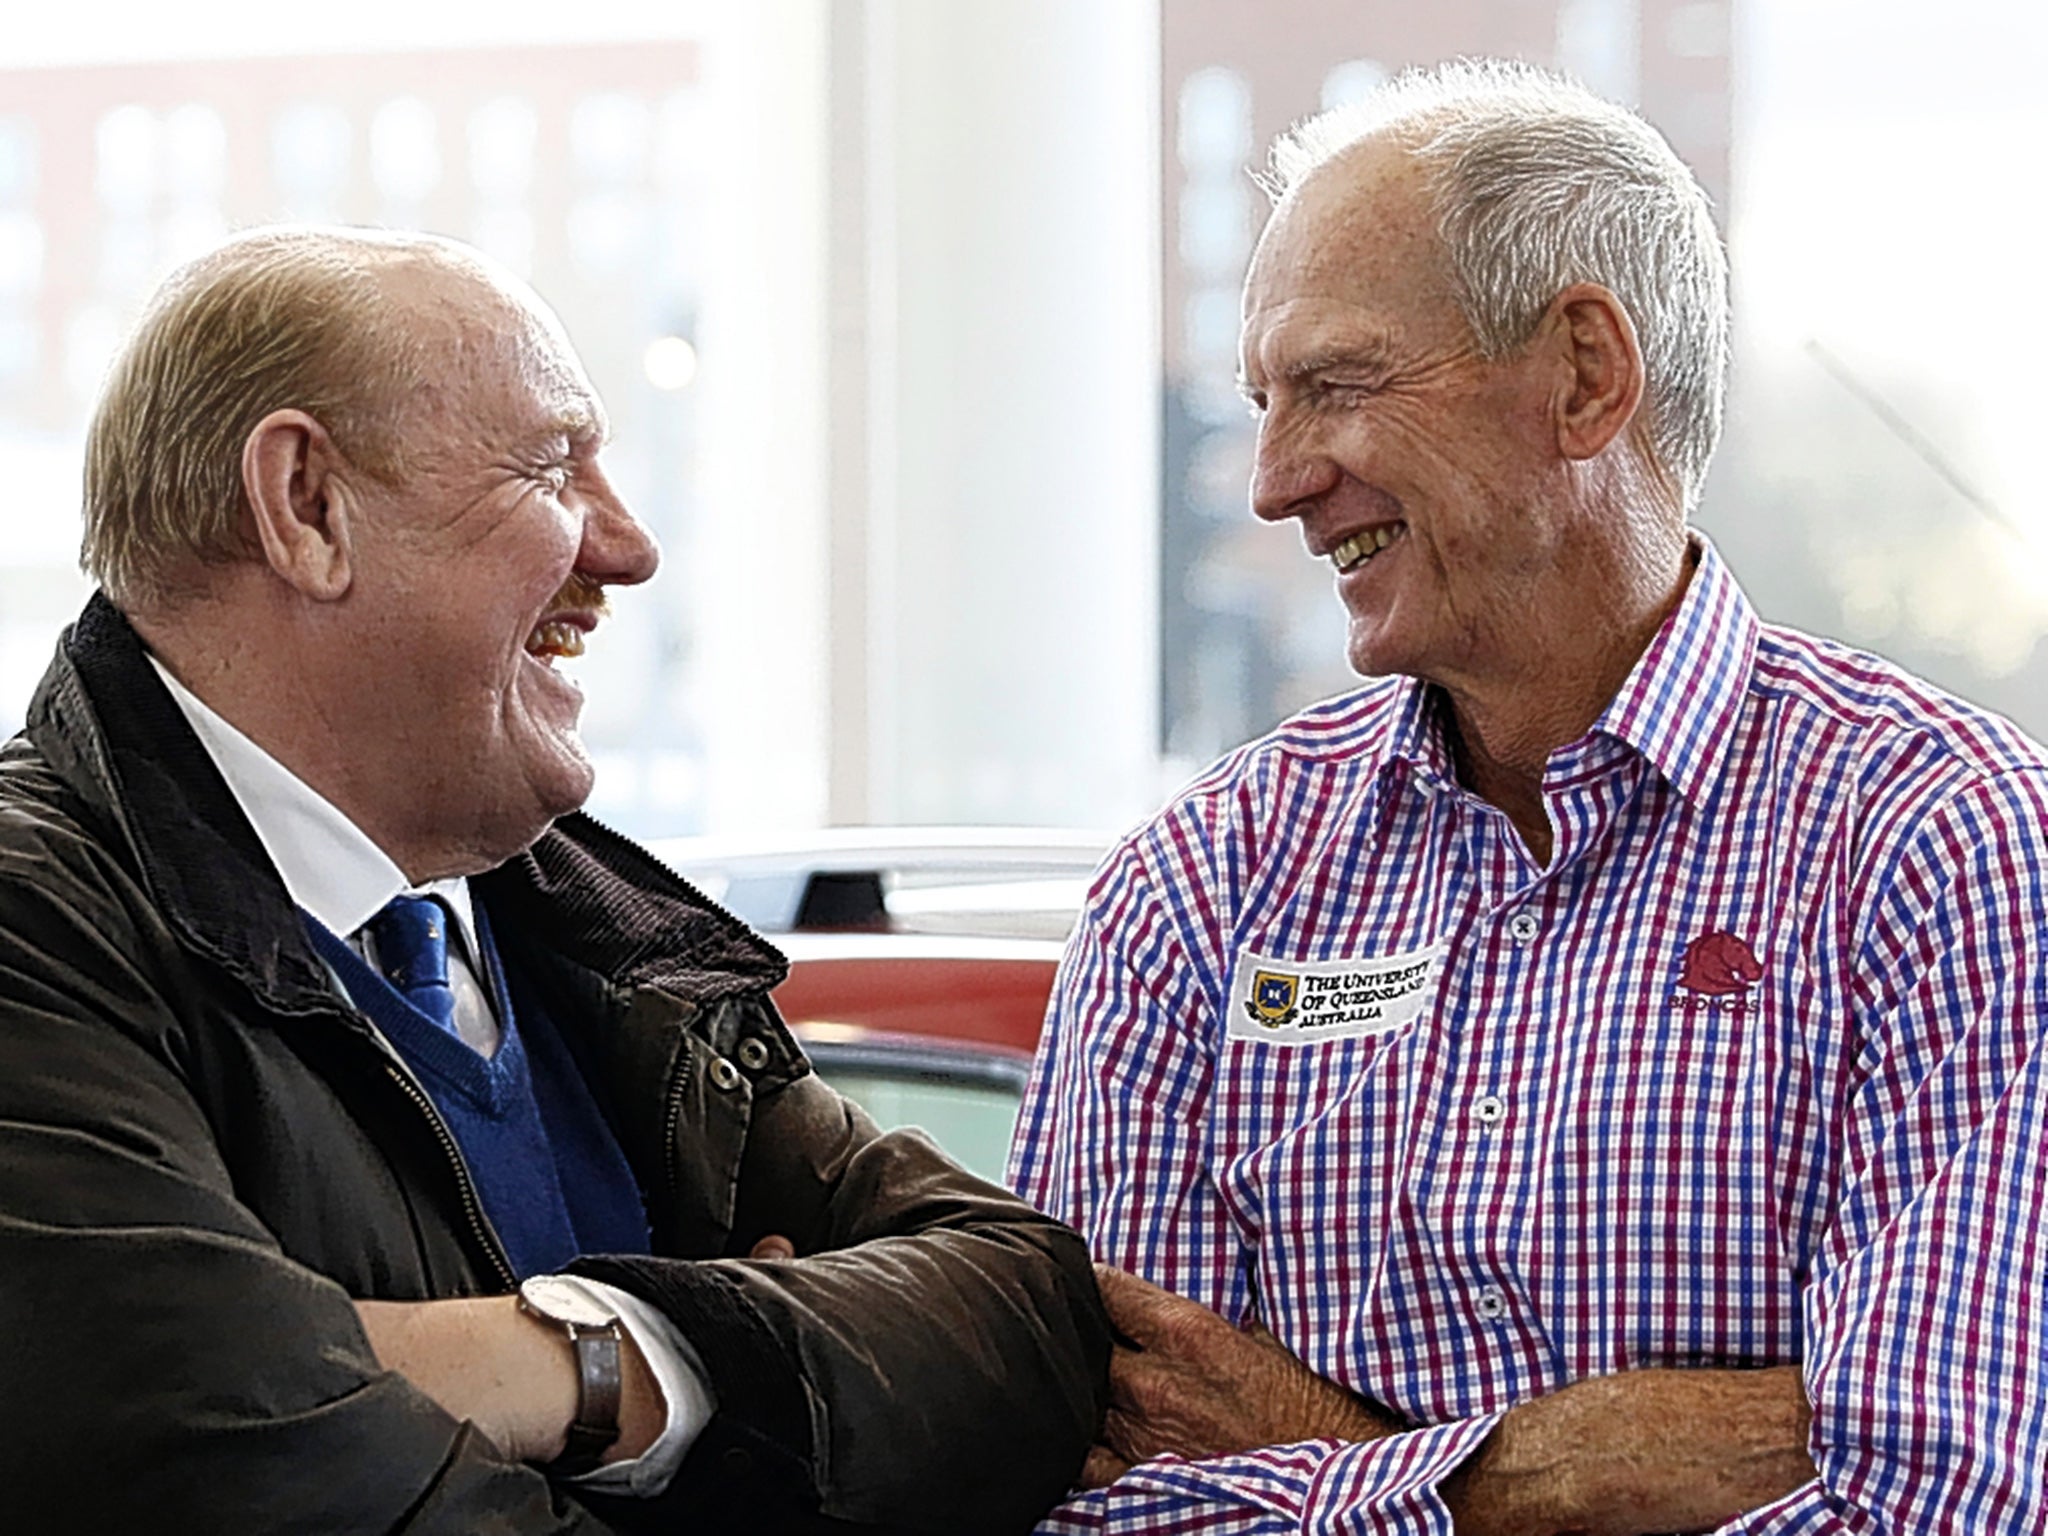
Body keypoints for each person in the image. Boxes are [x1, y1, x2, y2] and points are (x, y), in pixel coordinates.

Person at [1010, 57, 2048, 1535]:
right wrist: (1552, 1469)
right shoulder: (1198, 890)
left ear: (1581, 377)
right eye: (1262, 402)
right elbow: (1078, 1498)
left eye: (1336, 385)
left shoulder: (1947, 855)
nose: (1274, 480)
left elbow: (1943, 1504)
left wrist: (1319, 1442)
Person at [0, 225, 1109, 1533]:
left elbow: (1035, 1312)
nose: (629, 548)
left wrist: (598, 1361)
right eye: (551, 467)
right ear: (306, 505)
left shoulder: (599, 941)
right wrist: (771, 1416)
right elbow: (234, 1473)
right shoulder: (39, 937)